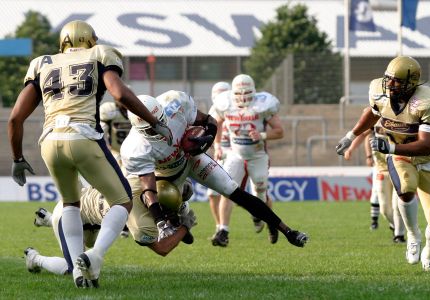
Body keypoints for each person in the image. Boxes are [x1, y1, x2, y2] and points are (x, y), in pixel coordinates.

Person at [8, 20, 172, 288]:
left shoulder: (42, 63)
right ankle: (94, 256)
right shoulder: (99, 54)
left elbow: (15, 118)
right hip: (83, 136)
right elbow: (119, 94)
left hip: (49, 141)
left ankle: (76, 271)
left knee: (71, 204)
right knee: (122, 201)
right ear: (91, 40)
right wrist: (153, 122)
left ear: (62, 43)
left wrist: (17, 159)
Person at [121, 91, 308, 250]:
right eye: (152, 129)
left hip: (191, 157)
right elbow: (149, 190)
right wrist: (160, 222)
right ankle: (176, 216)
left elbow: (209, 121)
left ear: (162, 112)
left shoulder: (175, 102)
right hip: (168, 175)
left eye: (159, 121)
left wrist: (206, 140)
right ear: (139, 130)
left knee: (234, 192)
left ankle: (289, 231)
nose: (158, 129)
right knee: (163, 199)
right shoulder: (135, 148)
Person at [336, 56, 430, 272]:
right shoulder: (379, 90)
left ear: (411, 82)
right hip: (401, 158)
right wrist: (351, 136)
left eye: (396, 80)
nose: (390, 84)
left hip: (428, 161)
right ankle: (413, 235)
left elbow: (425, 146)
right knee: (405, 190)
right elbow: (373, 112)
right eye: (388, 78)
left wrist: (391, 148)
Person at [25, 180, 196, 275]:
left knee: (97, 241)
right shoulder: (139, 220)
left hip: (93, 218)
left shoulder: (142, 181)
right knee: (75, 269)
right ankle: (35, 258)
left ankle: (47, 219)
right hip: (70, 215)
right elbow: (162, 248)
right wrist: (184, 227)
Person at [210, 74, 284, 246]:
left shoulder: (262, 105)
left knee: (260, 193)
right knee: (226, 189)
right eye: (239, 93)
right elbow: (217, 123)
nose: (243, 97)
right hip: (235, 154)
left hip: (257, 155)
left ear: (254, 92)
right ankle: (223, 231)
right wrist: (218, 145)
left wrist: (262, 135)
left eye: (247, 93)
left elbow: (280, 131)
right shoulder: (226, 104)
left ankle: (271, 223)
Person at [344, 122, 406, 242]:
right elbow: (363, 135)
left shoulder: (398, 118)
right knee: (384, 209)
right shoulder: (376, 119)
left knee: (396, 205)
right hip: (380, 170)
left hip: (398, 167)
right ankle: (395, 225)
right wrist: (351, 149)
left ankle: (399, 235)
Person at [99, 100, 132, 237]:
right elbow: (100, 131)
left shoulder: (133, 112)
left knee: (130, 185)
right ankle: (118, 221)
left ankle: (127, 223)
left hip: (132, 153)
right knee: (121, 185)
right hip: (116, 153)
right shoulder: (110, 111)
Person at [206, 82, 231, 238]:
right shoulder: (212, 111)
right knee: (212, 194)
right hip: (217, 155)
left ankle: (224, 227)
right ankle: (219, 226)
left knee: (227, 192)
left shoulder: (236, 108)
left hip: (235, 154)